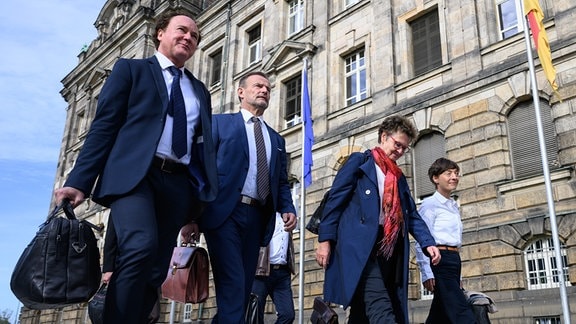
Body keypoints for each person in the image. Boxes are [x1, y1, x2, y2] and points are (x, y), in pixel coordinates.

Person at [54, 10, 217, 323]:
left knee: (155, 267)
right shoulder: (131, 70)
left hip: (177, 184)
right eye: (181, 30)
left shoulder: (199, 91)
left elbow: (202, 151)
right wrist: (79, 181)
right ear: (160, 33)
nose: (188, 38)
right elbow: (104, 126)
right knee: (139, 247)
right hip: (135, 177)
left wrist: (197, 209)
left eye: (194, 36)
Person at [315, 115, 441, 323]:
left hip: (387, 249)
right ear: (384, 136)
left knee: (362, 312)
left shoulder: (398, 177)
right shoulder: (359, 162)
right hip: (358, 247)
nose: (400, 151)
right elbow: (334, 202)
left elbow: (411, 215)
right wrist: (324, 240)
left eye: (404, 148)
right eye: (397, 144)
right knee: (381, 306)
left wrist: (428, 242)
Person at [199, 71, 297, 323]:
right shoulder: (219, 123)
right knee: (233, 280)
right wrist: (191, 216)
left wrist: (287, 207)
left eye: (267, 87)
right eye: (257, 86)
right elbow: (201, 168)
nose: (264, 90)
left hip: (257, 217)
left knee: (243, 287)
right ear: (241, 92)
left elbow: (281, 180)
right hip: (225, 214)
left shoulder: (276, 139)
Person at [415, 158, 477, 323]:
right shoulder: (430, 205)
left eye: (456, 173)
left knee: (441, 313)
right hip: (439, 260)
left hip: (453, 260)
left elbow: (455, 243)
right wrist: (426, 273)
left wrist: (459, 276)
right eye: (448, 173)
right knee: (461, 311)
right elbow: (421, 240)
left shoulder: (453, 206)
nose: (454, 177)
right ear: (436, 178)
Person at [252, 212, 296, 324]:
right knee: (255, 316)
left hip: (282, 273)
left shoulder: (288, 215)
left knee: (288, 314)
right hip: (260, 271)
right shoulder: (262, 211)